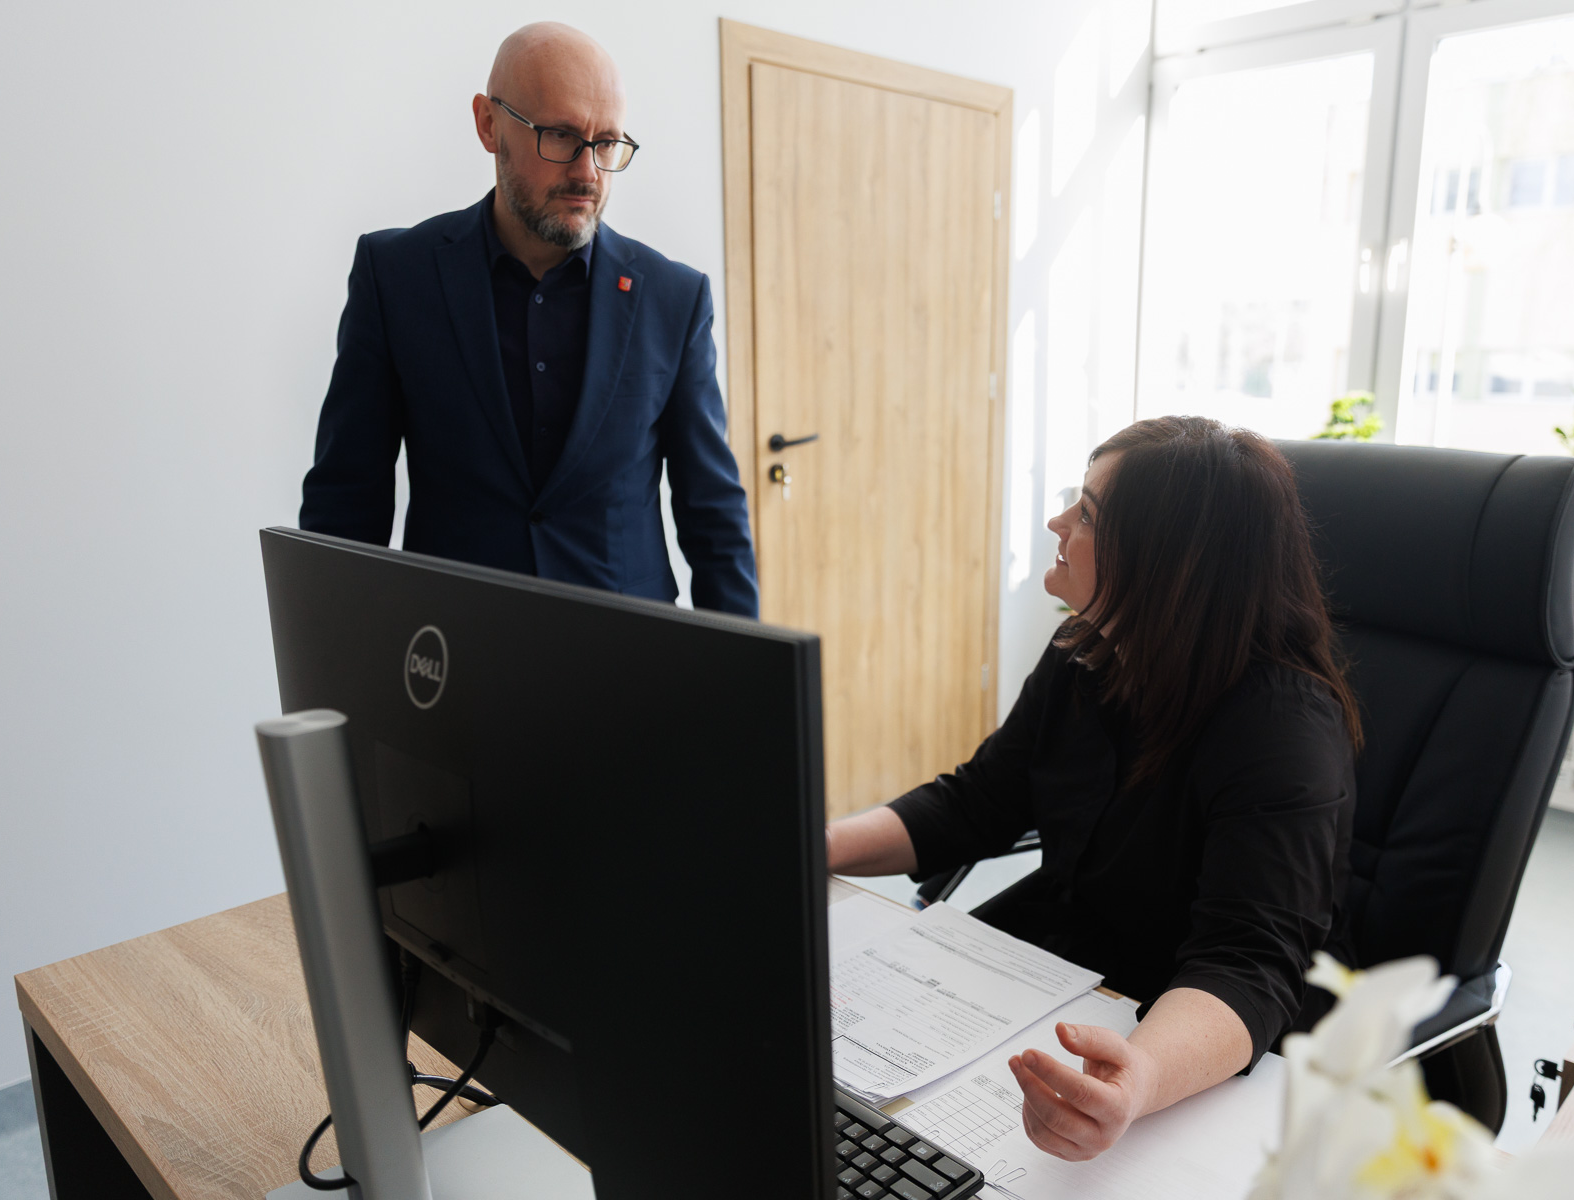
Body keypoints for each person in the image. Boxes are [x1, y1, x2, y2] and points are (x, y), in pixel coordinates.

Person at [827, 416, 1360, 1162]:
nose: (1058, 523)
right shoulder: (1086, 651)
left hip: (1178, 1022)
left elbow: (1246, 963)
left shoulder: (1282, 731)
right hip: (1054, 966)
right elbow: (977, 802)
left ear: (1167, 561)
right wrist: (813, 846)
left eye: (1089, 514)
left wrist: (1139, 1079)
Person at [299, 23, 757, 616]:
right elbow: (345, 502)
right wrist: (338, 659)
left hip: (629, 658)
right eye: (561, 136)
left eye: (607, 143)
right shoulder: (397, 276)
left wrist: (745, 672)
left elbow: (713, 517)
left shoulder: (674, 298)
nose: (589, 173)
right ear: (489, 124)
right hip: (453, 651)